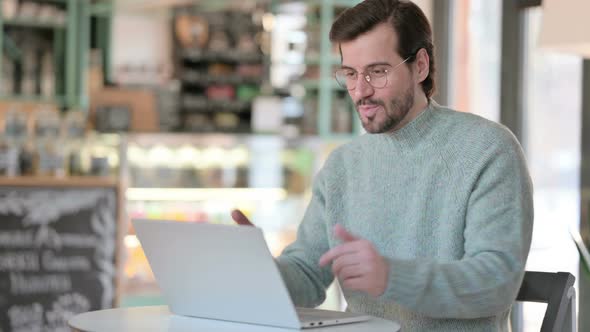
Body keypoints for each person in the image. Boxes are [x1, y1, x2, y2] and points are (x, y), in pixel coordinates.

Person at [232, 0, 533, 330]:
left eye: (377, 72)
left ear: (420, 65)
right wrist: (264, 271)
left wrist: (392, 277)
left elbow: (495, 284)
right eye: (350, 73)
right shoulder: (342, 167)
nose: (361, 91)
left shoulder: (487, 149)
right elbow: (307, 274)